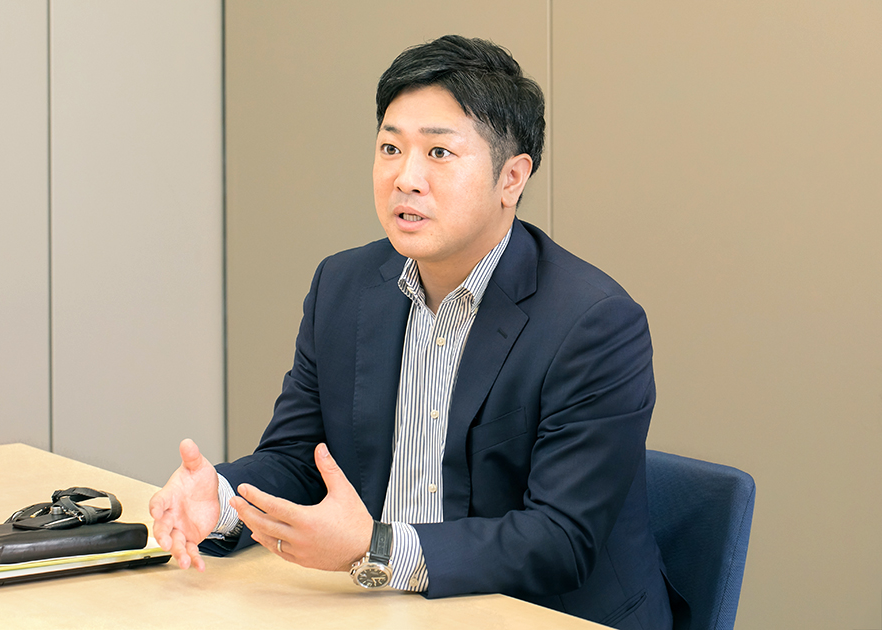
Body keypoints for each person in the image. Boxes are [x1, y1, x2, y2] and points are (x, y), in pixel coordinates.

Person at [150, 35, 685, 630]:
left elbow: (560, 539)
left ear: (511, 178)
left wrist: (375, 549)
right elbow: (299, 462)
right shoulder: (344, 287)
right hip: (383, 609)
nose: (405, 178)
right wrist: (222, 499)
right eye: (390, 148)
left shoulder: (593, 322)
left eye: (438, 153)